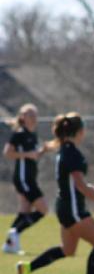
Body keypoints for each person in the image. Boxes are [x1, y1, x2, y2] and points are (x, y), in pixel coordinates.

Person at [16, 113, 94, 274]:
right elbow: (78, 184)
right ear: (79, 131)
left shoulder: (65, 149)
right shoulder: (72, 152)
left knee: (68, 250)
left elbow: (73, 182)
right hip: (73, 208)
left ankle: (28, 268)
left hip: (65, 206)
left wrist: (89, 188)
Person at [2, 104, 48, 254]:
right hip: (23, 179)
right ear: (23, 117)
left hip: (30, 178)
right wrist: (27, 154)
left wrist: (43, 151)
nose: (34, 118)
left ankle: (10, 244)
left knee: (25, 211)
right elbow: (8, 153)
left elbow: (33, 156)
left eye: (35, 115)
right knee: (43, 209)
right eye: (30, 115)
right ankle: (14, 234)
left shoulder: (32, 135)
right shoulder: (19, 134)